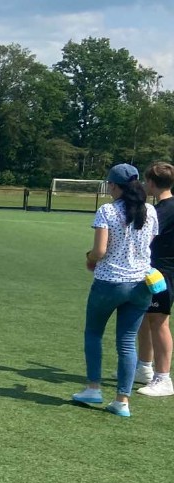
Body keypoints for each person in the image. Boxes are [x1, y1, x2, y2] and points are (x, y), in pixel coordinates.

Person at [73, 163, 155, 417]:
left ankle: (93, 388)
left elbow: (100, 251)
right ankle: (122, 400)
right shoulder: (150, 210)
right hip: (142, 283)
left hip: (111, 281)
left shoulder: (107, 210)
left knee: (94, 334)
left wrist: (89, 256)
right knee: (127, 342)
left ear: (115, 185)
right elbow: (146, 245)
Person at [136, 162, 174, 397]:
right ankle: (144, 367)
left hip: (163, 272)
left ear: (150, 183)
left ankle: (163, 378)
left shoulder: (164, 210)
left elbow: (145, 237)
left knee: (159, 321)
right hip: (154, 270)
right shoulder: (162, 207)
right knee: (146, 317)